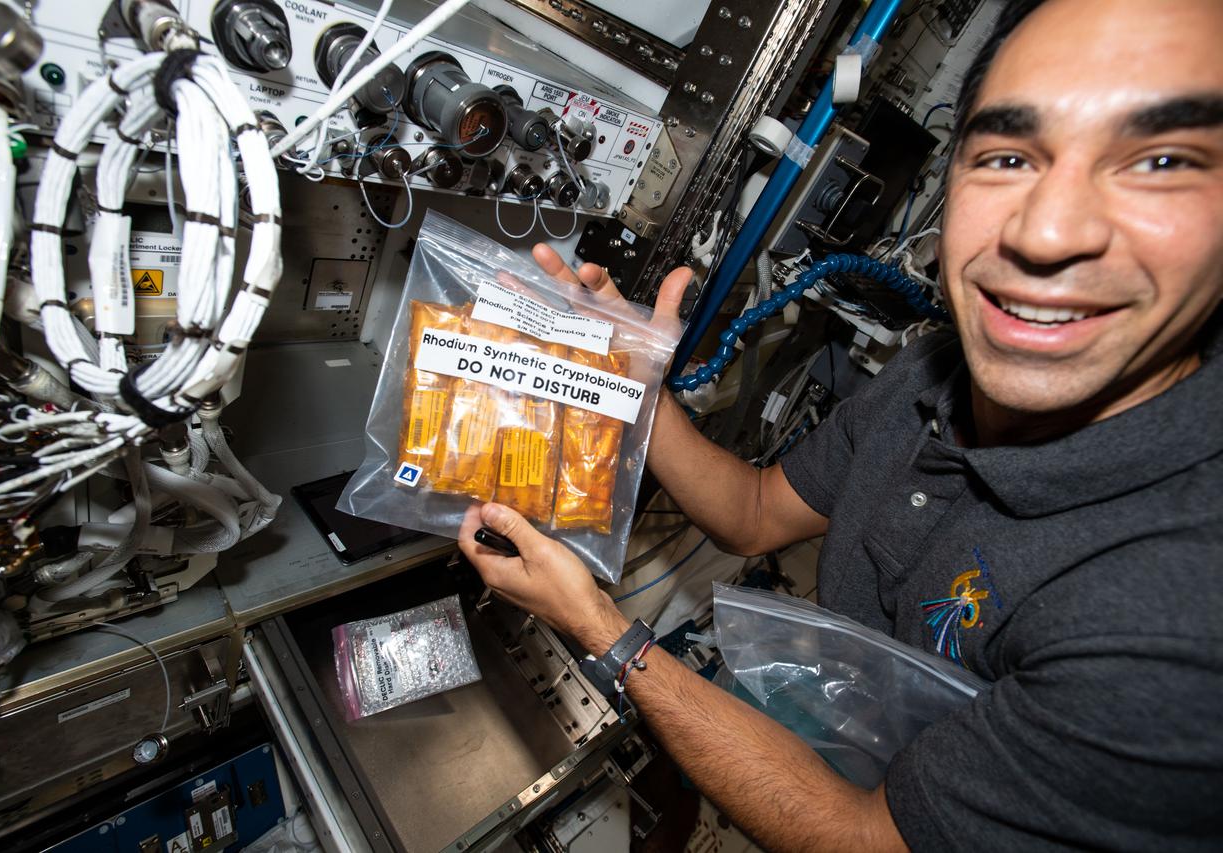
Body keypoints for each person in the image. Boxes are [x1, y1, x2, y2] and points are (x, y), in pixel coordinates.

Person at [459, 0, 1223, 848]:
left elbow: (862, 839)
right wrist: (638, 389)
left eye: (1160, 161)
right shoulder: (930, 374)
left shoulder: (1176, 621)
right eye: (1009, 155)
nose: (1046, 232)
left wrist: (600, 631)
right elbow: (753, 515)